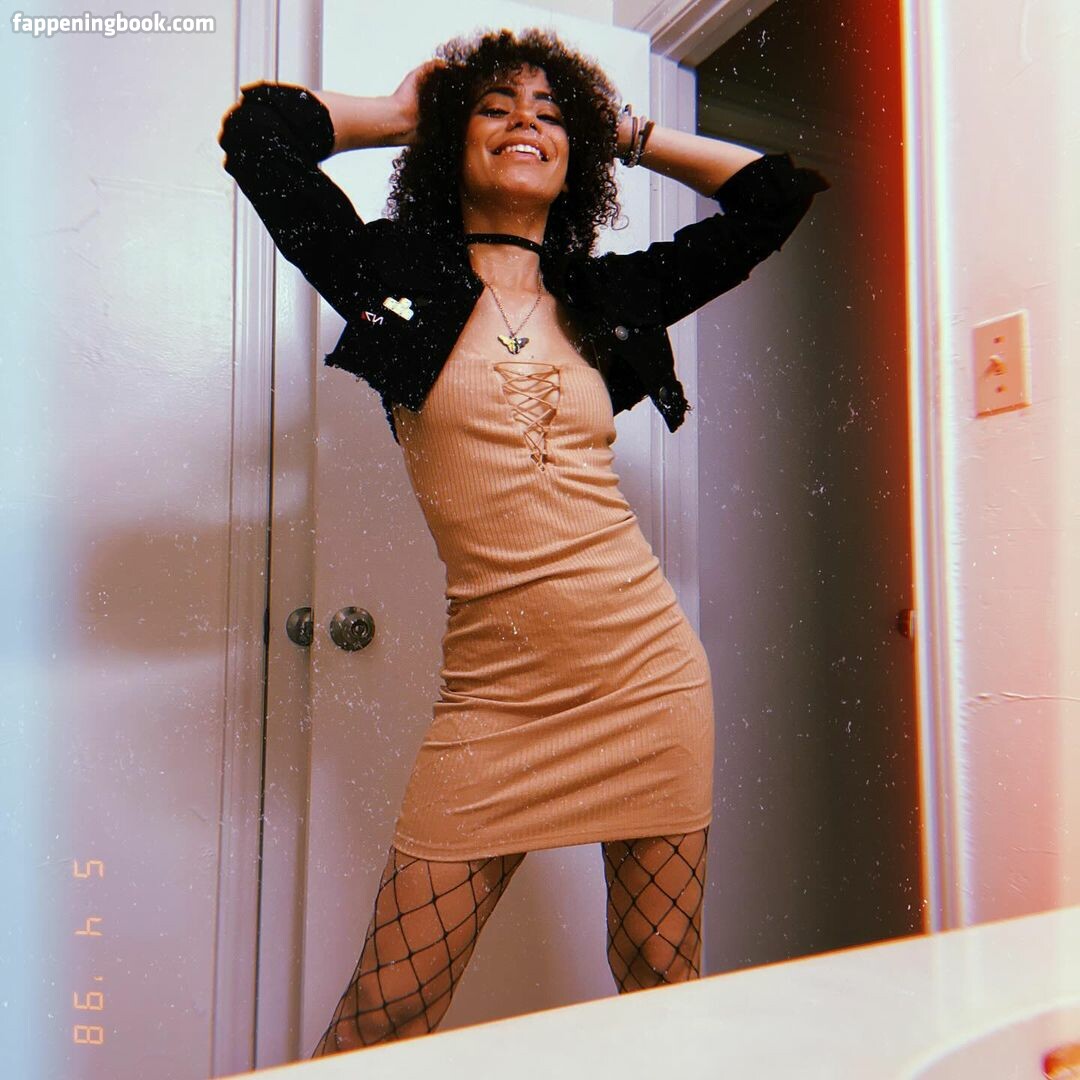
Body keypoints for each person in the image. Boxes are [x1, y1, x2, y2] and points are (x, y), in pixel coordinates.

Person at [218, 26, 829, 1058]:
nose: (524, 124)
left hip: (647, 681)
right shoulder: (387, 275)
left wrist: (623, 133)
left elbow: (776, 196)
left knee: (660, 983)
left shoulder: (609, 297)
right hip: (495, 701)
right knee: (388, 1014)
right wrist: (399, 113)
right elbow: (259, 137)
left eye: (551, 113)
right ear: (453, 140)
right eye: (495, 107)